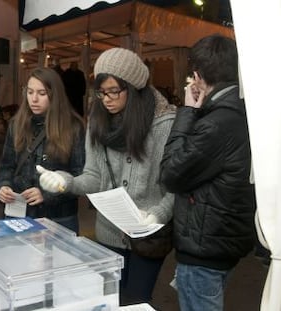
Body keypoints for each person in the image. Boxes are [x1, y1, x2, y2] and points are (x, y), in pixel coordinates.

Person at [37, 47, 176, 305]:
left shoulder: (163, 124)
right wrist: (65, 182)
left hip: (148, 234)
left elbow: (175, 187)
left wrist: (158, 214)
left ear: (133, 88)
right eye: (101, 92)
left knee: (136, 301)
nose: (106, 99)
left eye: (114, 91)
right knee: (109, 300)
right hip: (109, 232)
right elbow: (93, 177)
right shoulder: (98, 121)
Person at [159, 35, 256, 311]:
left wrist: (187, 112)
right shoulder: (241, 111)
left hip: (205, 246)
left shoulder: (215, 124)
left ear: (198, 77)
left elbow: (170, 173)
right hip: (227, 237)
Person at [0, 67, 85, 234]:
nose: (34, 99)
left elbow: (81, 177)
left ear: (54, 95)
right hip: (20, 215)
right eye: (30, 92)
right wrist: (4, 186)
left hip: (59, 219)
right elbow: (6, 166)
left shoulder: (73, 127)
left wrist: (46, 194)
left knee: (61, 261)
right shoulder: (17, 124)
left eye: (42, 93)